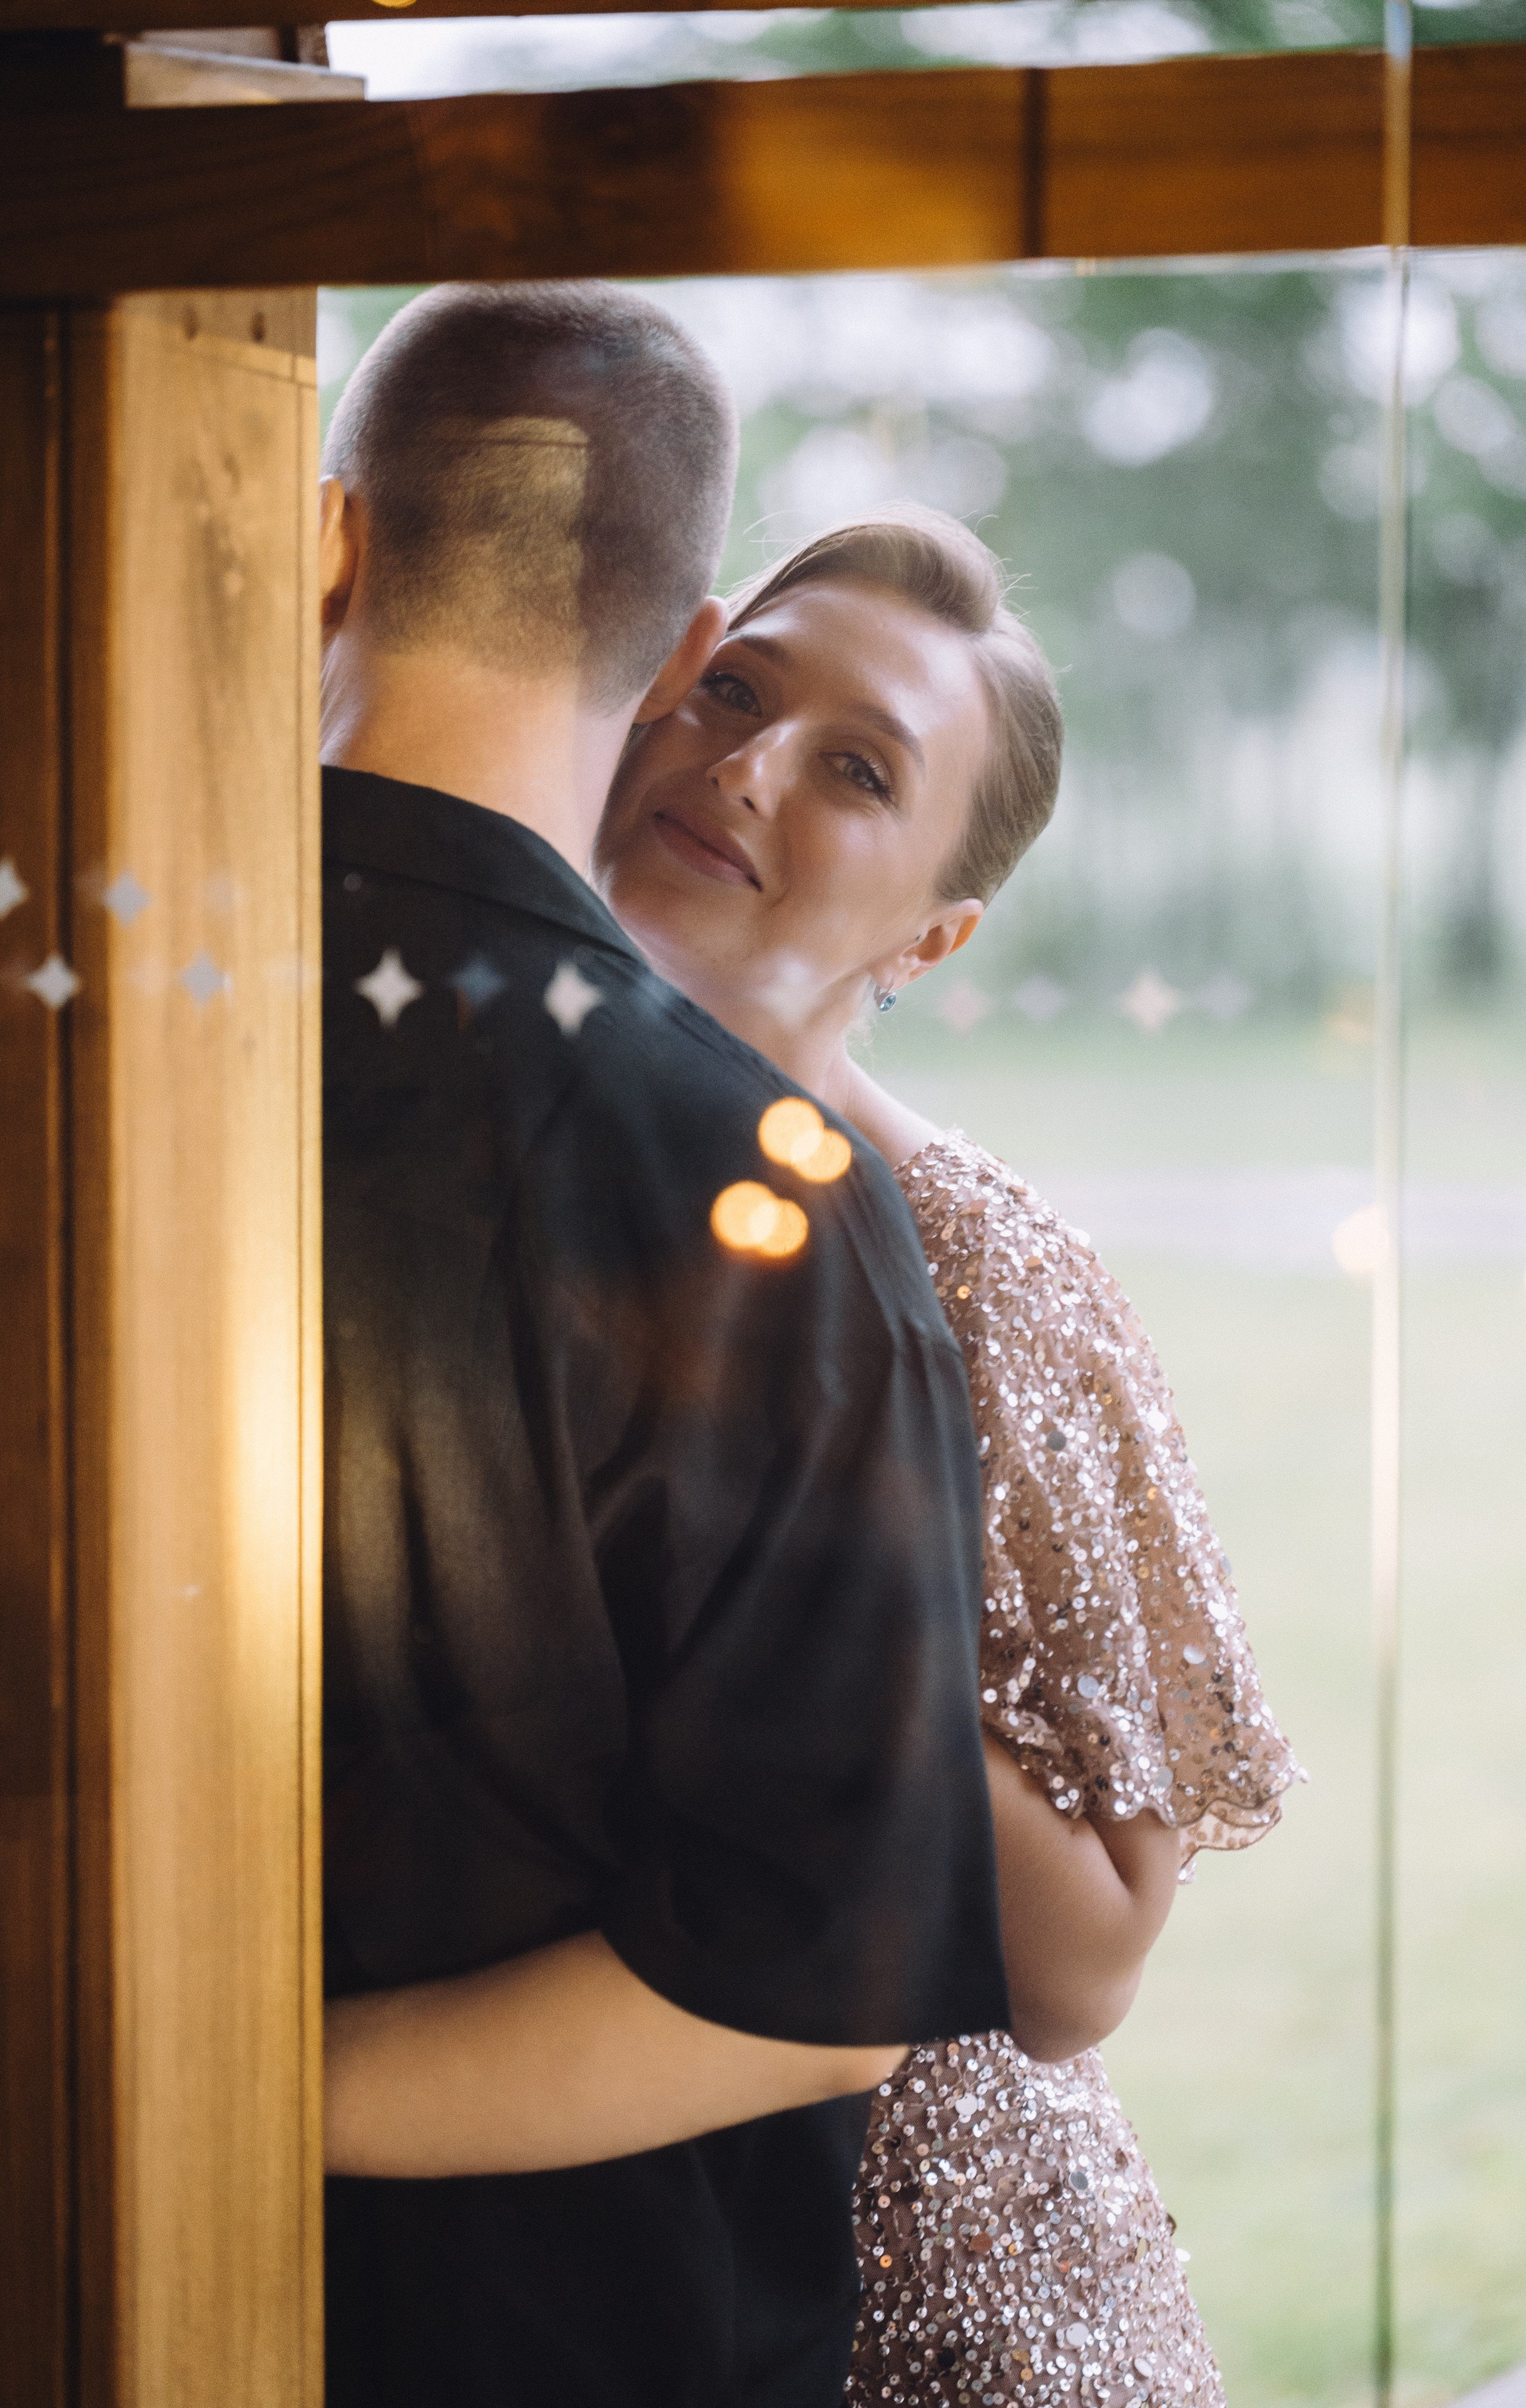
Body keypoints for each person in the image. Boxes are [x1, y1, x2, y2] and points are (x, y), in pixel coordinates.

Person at [317, 287, 1042, 2408]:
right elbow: (808, 1981)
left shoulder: (21, 1043)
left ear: (330, 546)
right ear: (675, 640)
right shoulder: (767, 1201)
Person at [595, 505, 1304, 2408]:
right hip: (598, 2246)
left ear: (933, 931)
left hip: (936, 2303)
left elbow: (1085, 1963)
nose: (740, 767)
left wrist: (765, 1546)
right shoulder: (496, 1151)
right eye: (733, 692)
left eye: (855, 769)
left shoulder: (977, 1267)